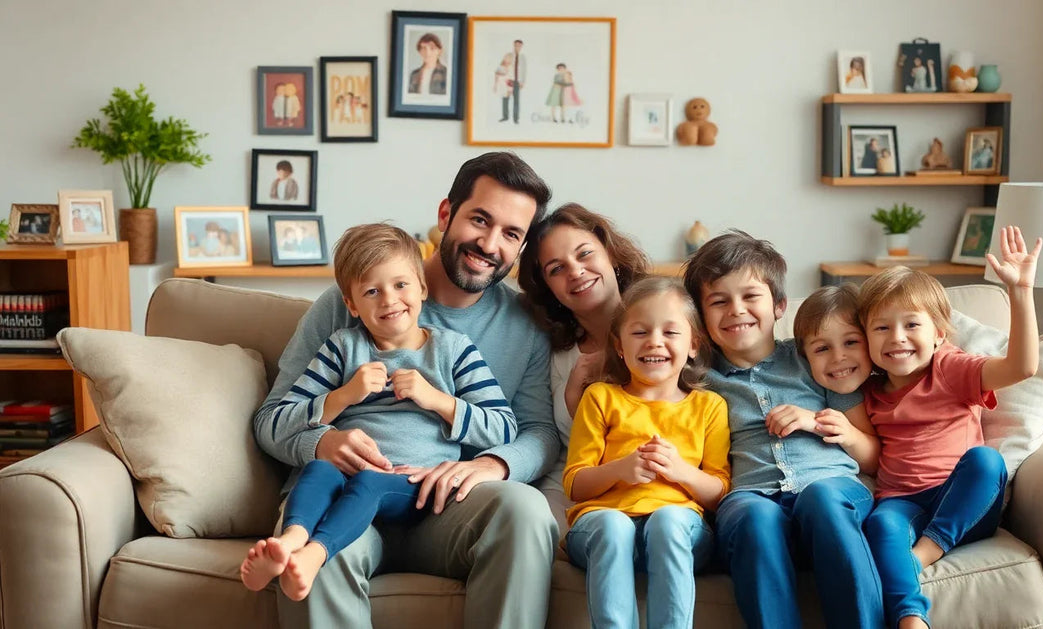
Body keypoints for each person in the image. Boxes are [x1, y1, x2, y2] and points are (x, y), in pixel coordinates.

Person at [252, 151, 559, 628]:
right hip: (344, 496)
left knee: (525, 509)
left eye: (511, 234)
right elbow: (272, 419)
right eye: (480, 220)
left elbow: (538, 431)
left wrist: (492, 464)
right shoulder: (348, 306)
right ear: (446, 214)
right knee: (313, 550)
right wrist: (322, 443)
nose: (490, 243)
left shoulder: (523, 326)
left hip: (443, 508)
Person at [240, 224, 518, 600]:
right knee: (319, 470)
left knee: (369, 483)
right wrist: (342, 397)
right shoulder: (341, 348)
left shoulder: (454, 350)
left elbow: (503, 428)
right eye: (372, 291)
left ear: (422, 287)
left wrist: (438, 400)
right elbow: (278, 420)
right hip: (345, 478)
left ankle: (313, 555)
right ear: (352, 305)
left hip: (414, 489)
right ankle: (290, 543)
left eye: (401, 285)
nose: (389, 300)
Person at [682, 230, 884, 629]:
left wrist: (826, 425)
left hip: (831, 492)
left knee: (821, 498)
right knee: (754, 516)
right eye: (718, 301)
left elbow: (874, 458)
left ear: (779, 305)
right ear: (701, 319)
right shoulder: (699, 383)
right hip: (751, 499)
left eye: (750, 296)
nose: (736, 310)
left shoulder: (815, 357)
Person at [857, 226, 1041, 629]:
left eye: (912, 325)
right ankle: (911, 618)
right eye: (881, 328)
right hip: (902, 502)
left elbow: (1023, 367)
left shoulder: (950, 368)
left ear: (939, 334)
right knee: (880, 523)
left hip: (964, 504)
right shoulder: (867, 389)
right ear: (865, 338)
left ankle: (923, 554)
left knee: (986, 461)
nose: (897, 338)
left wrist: (1021, 292)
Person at [563, 276, 731, 629]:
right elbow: (575, 484)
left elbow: (720, 495)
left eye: (670, 332)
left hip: (679, 530)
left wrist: (681, 471)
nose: (654, 341)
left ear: (693, 345)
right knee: (612, 525)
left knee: (668, 521)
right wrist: (619, 470)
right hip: (602, 527)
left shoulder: (709, 406)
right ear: (620, 346)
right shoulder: (600, 398)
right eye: (640, 332)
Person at [517, 203, 650, 455]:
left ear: (610, 253)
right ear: (548, 289)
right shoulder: (551, 355)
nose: (576, 272)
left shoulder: (666, 328)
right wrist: (573, 395)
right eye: (556, 269)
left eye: (584, 254)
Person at [500, 39, 526, 123]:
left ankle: (516, 118)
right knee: (505, 98)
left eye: (519, 46)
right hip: (508, 80)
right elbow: (502, 66)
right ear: (513, 45)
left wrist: (522, 82)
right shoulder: (509, 55)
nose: (517, 47)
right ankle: (505, 116)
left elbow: (524, 70)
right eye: (516, 45)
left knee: (516, 100)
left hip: (517, 81)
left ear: (521, 47)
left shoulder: (522, 58)